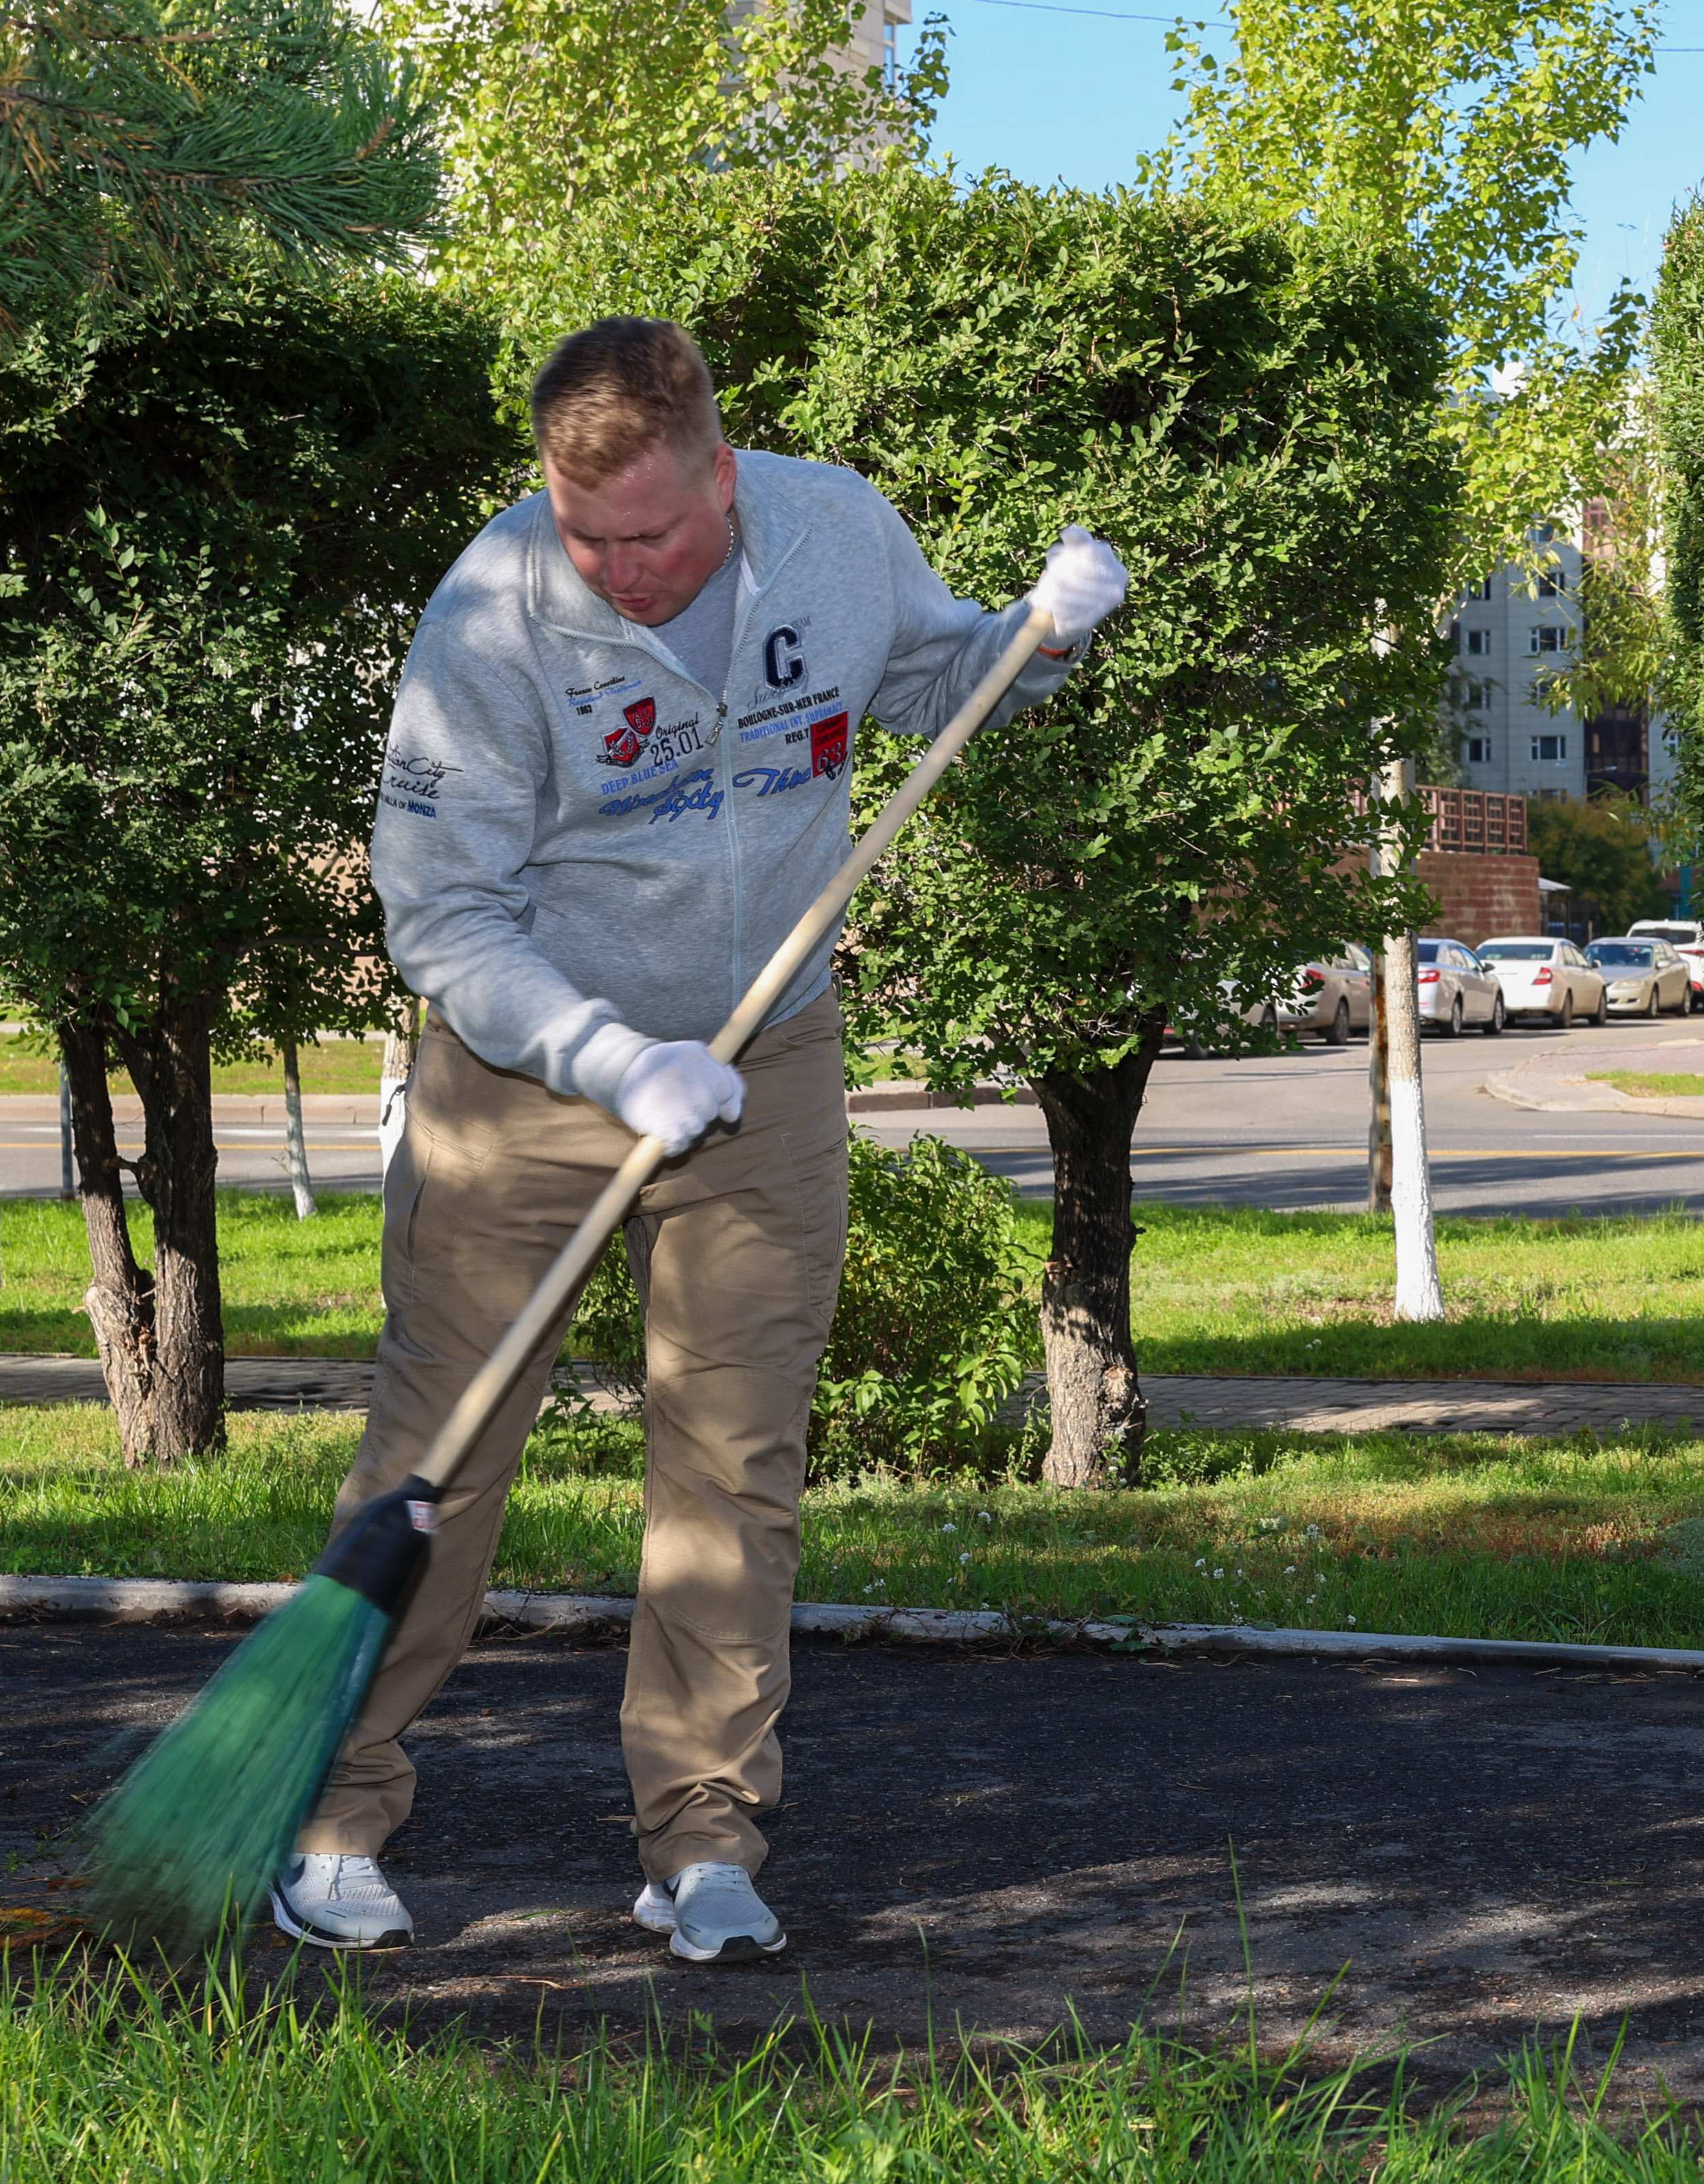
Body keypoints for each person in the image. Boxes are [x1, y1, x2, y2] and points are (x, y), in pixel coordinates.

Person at [274, 316, 1126, 1964]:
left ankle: (705, 1836)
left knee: (733, 1463)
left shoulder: (832, 528)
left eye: (651, 531)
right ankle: (332, 1809)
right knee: (440, 1453)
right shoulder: (494, 616)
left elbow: (934, 686)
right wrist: (602, 1052)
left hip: (765, 1065)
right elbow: (441, 911)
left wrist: (1037, 635)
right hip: (525, 1081)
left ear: (724, 477)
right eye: (586, 532)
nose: (619, 566)